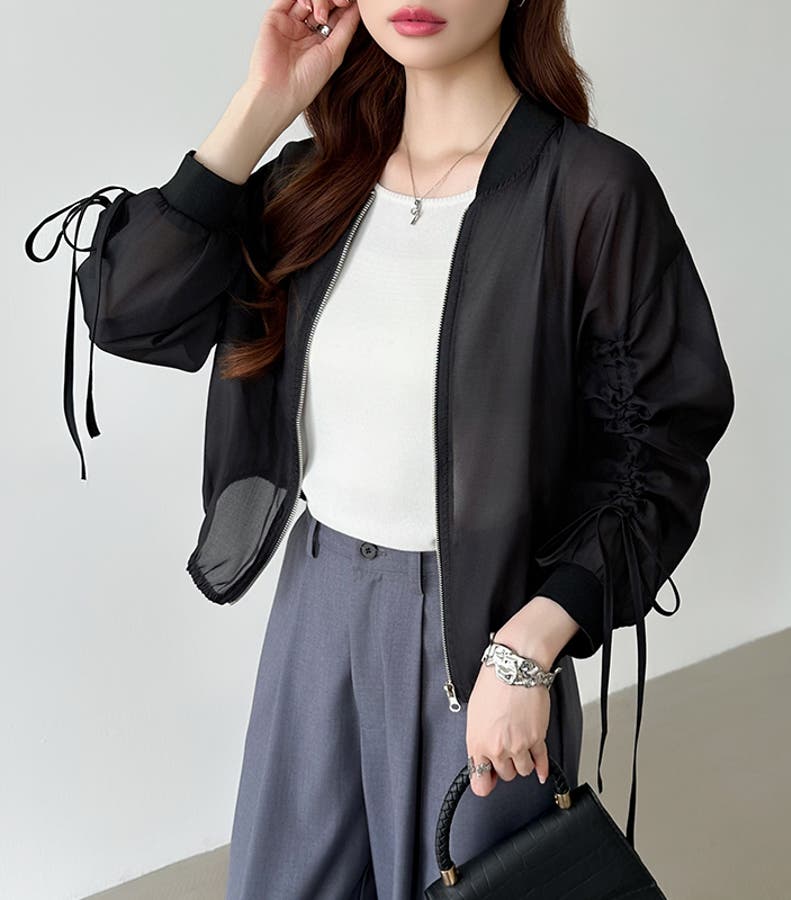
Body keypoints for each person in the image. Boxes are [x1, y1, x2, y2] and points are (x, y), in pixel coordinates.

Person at [25, 0, 736, 896]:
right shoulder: (311, 185)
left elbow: (659, 449)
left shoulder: (589, 188)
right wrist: (262, 101)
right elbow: (127, 310)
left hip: (486, 630)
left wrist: (532, 642)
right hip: (315, 608)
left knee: (478, 882)